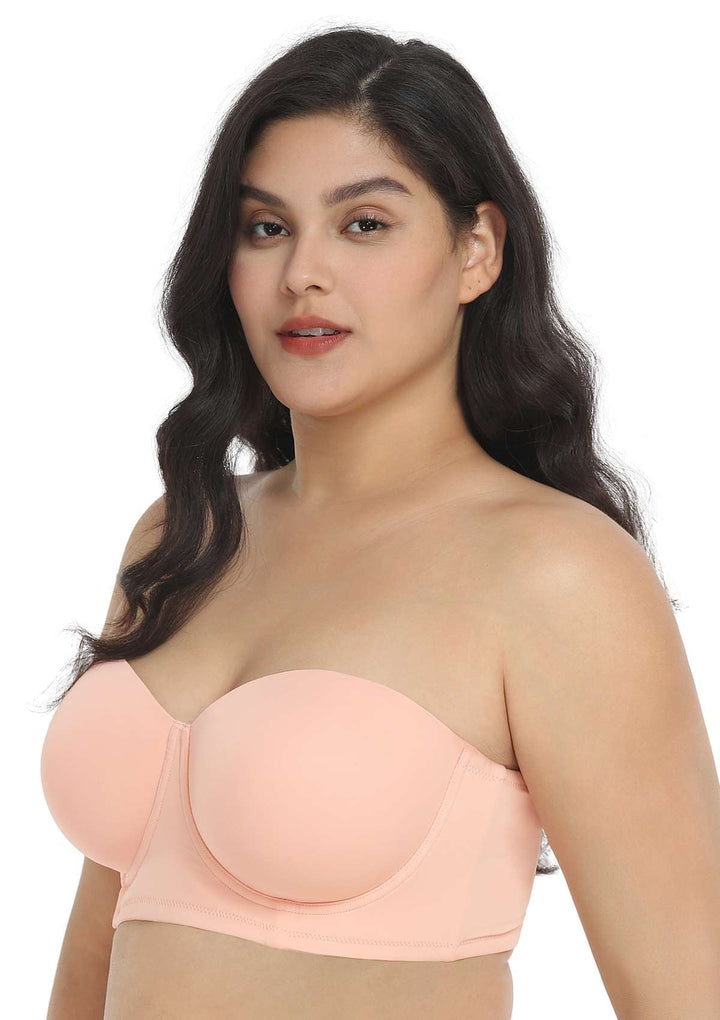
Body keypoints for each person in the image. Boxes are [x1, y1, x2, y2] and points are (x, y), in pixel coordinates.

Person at [41, 24, 720, 1020]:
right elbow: (96, 944)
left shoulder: (556, 574)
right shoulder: (182, 534)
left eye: (364, 223)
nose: (302, 273)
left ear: (477, 250)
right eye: (265, 227)